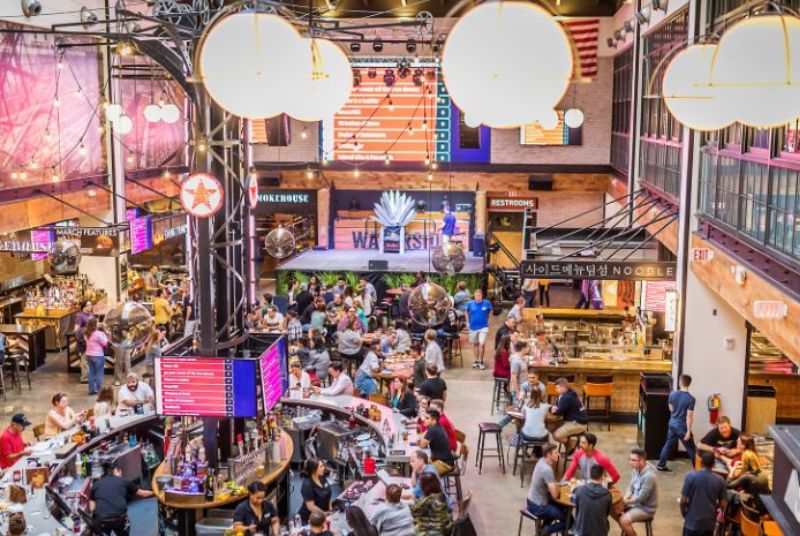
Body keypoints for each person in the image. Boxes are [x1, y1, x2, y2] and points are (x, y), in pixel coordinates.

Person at [90, 461, 154, 535]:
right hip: (120, 518)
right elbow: (143, 494)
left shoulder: (95, 485)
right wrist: (155, 493)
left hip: (102, 520)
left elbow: (92, 507)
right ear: (117, 470)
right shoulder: (123, 481)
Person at [680, 452, 728, 536]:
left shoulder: (691, 476)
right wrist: (714, 507)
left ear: (701, 462)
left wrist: (685, 514)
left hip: (692, 522)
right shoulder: (720, 480)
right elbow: (723, 504)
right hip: (709, 524)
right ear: (714, 464)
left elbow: (683, 501)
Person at [657, 374, 697, 473]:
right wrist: (688, 431)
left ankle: (661, 465)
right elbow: (689, 416)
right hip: (682, 426)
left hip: (672, 423)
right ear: (689, 384)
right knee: (691, 449)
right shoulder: (691, 399)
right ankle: (699, 470)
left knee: (668, 445)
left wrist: (676, 413)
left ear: (680, 382)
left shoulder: (673, 394)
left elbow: (671, 408)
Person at [526, 443, 567, 535]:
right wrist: (557, 486)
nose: (559, 455)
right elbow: (555, 495)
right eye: (556, 453)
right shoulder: (547, 469)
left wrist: (554, 484)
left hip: (531, 500)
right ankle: (546, 531)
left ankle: (542, 530)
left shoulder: (541, 461)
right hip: (538, 506)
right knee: (569, 520)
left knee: (563, 509)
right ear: (549, 455)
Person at [617, 448, 658, 536]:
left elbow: (642, 497)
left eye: (633, 460)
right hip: (636, 504)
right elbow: (631, 487)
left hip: (646, 509)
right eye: (629, 459)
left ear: (642, 461)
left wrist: (626, 502)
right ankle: (631, 533)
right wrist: (624, 499)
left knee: (623, 521)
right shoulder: (636, 469)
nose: (630, 462)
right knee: (615, 509)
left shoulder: (649, 476)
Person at [572, 464, 612, 536]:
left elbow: (577, 508)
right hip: (599, 532)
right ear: (602, 477)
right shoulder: (607, 495)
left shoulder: (579, 490)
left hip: (581, 531)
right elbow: (606, 513)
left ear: (590, 475)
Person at [550, 377, 589, 449]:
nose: (556, 390)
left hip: (578, 424)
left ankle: (571, 443)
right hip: (573, 421)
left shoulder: (567, 397)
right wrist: (554, 408)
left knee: (556, 435)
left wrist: (553, 410)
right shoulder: (567, 393)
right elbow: (557, 406)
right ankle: (570, 445)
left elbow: (558, 412)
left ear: (563, 386)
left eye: (557, 388)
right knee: (552, 426)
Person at [419, 408, 455, 475]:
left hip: (445, 464)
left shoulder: (433, 430)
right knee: (418, 463)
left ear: (434, 420)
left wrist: (420, 440)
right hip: (440, 459)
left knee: (422, 473)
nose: (424, 419)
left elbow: (422, 445)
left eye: (427, 418)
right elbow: (422, 440)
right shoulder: (437, 426)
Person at [298, 458, 332, 524]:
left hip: (324, 514)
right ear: (314, 469)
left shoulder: (322, 477)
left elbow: (329, 493)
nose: (323, 468)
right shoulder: (307, 485)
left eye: (323, 466)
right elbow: (311, 506)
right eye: (321, 466)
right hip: (311, 518)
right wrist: (324, 514)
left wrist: (330, 510)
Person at [465, 288, 492, 370]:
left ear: (482, 296)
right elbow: (466, 311)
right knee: (475, 344)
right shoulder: (470, 303)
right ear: (474, 296)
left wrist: (489, 320)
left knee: (481, 343)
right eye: (476, 295)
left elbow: (490, 311)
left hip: (483, 326)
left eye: (479, 295)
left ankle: (481, 361)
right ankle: (476, 361)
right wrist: (467, 322)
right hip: (473, 327)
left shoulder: (486, 303)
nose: (478, 297)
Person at [85, 318, 109, 395]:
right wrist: (106, 333)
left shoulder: (86, 333)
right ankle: (99, 390)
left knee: (91, 373)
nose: (99, 323)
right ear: (94, 325)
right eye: (98, 322)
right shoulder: (98, 333)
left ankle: (91, 390)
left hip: (89, 355)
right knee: (99, 373)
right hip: (98, 355)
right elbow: (105, 343)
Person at [74, 299, 94, 383]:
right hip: (85, 340)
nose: (90, 306)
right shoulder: (80, 316)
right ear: (84, 307)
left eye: (91, 305)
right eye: (88, 305)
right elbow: (76, 329)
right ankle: (84, 378)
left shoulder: (91, 315)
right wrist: (83, 337)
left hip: (92, 339)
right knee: (84, 358)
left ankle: (89, 375)